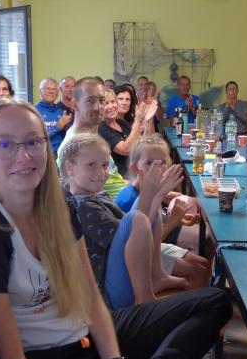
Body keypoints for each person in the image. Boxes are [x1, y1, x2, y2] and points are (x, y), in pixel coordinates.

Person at [0, 97, 232, 359]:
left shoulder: (58, 207)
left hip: (84, 338)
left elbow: (91, 299)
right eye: (5, 144)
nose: (23, 155)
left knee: (215, 301)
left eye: (33, 141)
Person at [61, 132, 188, 308]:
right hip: (107, 293)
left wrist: (154, 195)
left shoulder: (99, 196)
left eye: (105, 165)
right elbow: (133, 236)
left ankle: (158, 274)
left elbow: (136, 232)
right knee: (137, 217)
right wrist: (154, 193)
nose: (101, 172)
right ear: (70, 168)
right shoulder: (82, 208)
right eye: (91, 165)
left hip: (120, 278)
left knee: (145, 210)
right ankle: (144, 297)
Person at [114, 135, 211, 287]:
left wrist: (179, 220)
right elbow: (144, 246)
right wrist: (173, 221)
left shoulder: (151, 190)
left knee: (204, 264)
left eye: (162, 162)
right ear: (135, 168)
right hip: (139, 261)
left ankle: (201, 294)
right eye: (149, 163)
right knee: (198, 271)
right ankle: (197, 299)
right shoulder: (130, 200)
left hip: (153, 250)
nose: (158, 168)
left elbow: (154, 224)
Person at [57, 77, 128, 199]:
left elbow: (114, 181)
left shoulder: (93, 137)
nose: (98, 107)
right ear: (74, 104)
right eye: (90, 101)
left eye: (101, 100)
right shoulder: (73, 145)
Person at [98, 88, 154, 178]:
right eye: (106, 103)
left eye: (113, 102)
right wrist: (137, 121)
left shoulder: (121, 122)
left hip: (135, 171)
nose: (111, 106)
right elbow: (126, 149)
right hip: (121, 178)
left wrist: (147, 122)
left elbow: (142, 145)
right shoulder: (101, 127)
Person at [36, 77, 72, 152]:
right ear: (40, 91)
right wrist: (57, 127)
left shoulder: (61, 112)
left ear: (57, 93)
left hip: (61, 154)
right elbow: (36, 138)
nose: (51, 91)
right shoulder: (34, 112)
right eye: (47, 89)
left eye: (53, 89)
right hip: (43, 154)